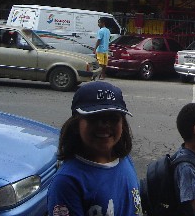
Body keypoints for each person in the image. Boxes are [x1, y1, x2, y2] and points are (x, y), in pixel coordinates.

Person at [47, 81, 143, 215]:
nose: (104, 125)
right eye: (94, 118)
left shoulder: (124, 159)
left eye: (113, 118)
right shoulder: (67, 182)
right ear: (76, 124)